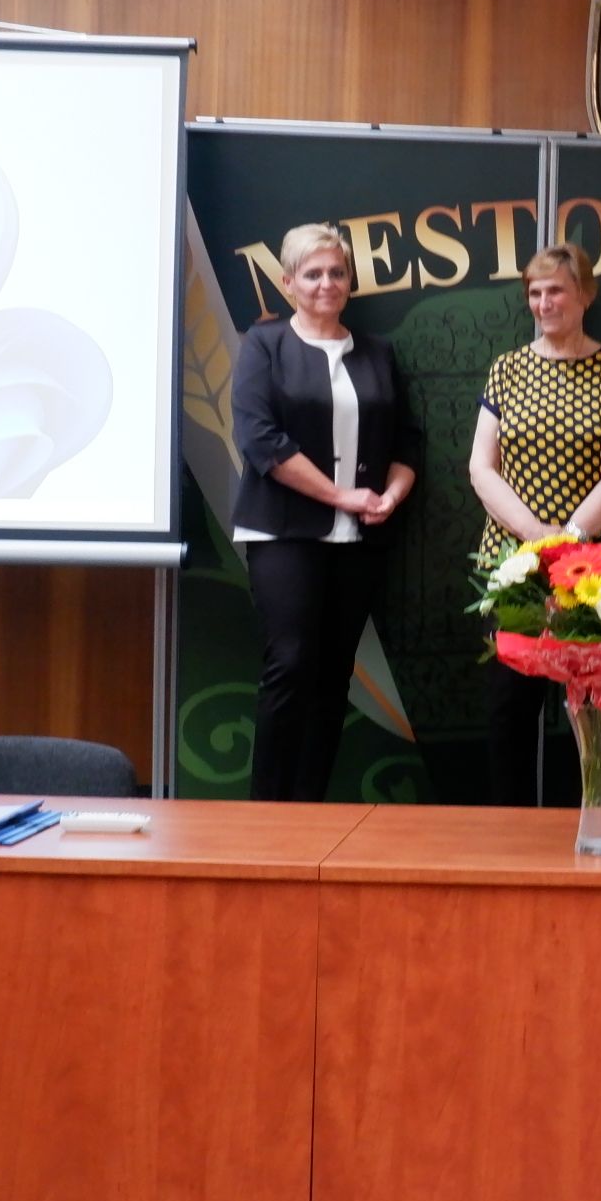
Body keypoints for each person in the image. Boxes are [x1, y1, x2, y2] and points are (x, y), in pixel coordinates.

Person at [229, 222, 419, 802]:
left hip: (361, 538)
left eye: (337, 272)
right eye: (312, 274)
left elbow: (407, 444)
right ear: (288, 283)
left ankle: (309, 810)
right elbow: (260, 441)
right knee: (291, 663)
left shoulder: (378, 352)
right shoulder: (264, 346)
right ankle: (268, 812)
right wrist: (342, 497)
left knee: (335, 674)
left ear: (350, 281)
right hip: (283, 531)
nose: (326, 283)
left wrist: (390, 496)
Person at [467, 244, 601, 804]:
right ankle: (511, 831)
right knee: (509, 706)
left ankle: (600, 824)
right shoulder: (507, 369)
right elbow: (480, 467)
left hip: (600, 569)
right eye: (535, 293)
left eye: (556, 291)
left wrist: (573, 536)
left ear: (585, 295)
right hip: (515, 566)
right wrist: (536, 536)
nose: (544, 303)